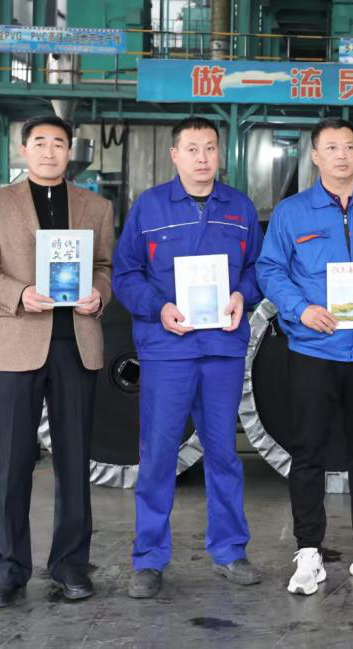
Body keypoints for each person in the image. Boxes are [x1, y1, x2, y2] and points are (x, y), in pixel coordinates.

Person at [0, 114, 114, 607]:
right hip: (19, 341)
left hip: (77, 341)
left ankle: (70, 565)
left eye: (59, 143)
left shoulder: (95, 206)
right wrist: (19, 292)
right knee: (13, 461)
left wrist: (99, 293)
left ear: (70, 151)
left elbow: (104, 266)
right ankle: (9, 570)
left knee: (74, 460)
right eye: (40, 143)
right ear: (24, 150)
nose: (50, 151)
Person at [257, 117, 353, 595]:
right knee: (308, 453)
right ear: (316, 156)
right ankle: (308, 552)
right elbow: (270, 269)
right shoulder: (292, 213)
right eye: (332, 147)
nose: (342, 155)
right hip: (312, 350)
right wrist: (300, 310)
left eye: (349, 147)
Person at [112, 116, 262, 599]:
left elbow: (258, 269)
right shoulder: (150, 207)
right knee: (158, 455)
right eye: (192, 149)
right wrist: (159, 307)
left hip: (222, 349)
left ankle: (230, 549)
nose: (202, 158)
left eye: (210, 148)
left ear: (221, 154)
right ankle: (149, 558)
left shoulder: (239, 207)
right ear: (174, 155)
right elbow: (125, 274)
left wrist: (242, 295)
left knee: (223, 453)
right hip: (167, 350)